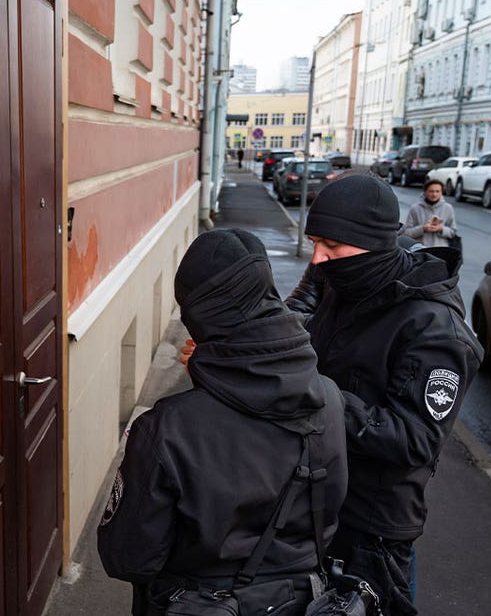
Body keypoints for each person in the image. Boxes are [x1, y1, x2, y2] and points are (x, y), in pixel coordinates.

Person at [98, 229, 349, 616]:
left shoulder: (167, 428)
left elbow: (128, 558)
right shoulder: (330, 398)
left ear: (199, 316)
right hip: (301, 601)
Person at [296, 175, 482, 615]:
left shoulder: (435, 329)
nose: (317, 257)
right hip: (319, 508)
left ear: (373, 244)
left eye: (330, 245)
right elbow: (308, 328)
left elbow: (415, 438)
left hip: (373, 533)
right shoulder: (349, 284)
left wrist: (311, 391)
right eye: (314, 242)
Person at [401, 180, 457, 248]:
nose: (434, 194)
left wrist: (441, 229)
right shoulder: (415, 209)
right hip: (420, 250)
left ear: (441, 192)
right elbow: (407, 233)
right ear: (425, 192)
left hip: (441, 250)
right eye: (431, 191)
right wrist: (423, 228)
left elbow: (453, 232)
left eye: (437, 191)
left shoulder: (448, 208)